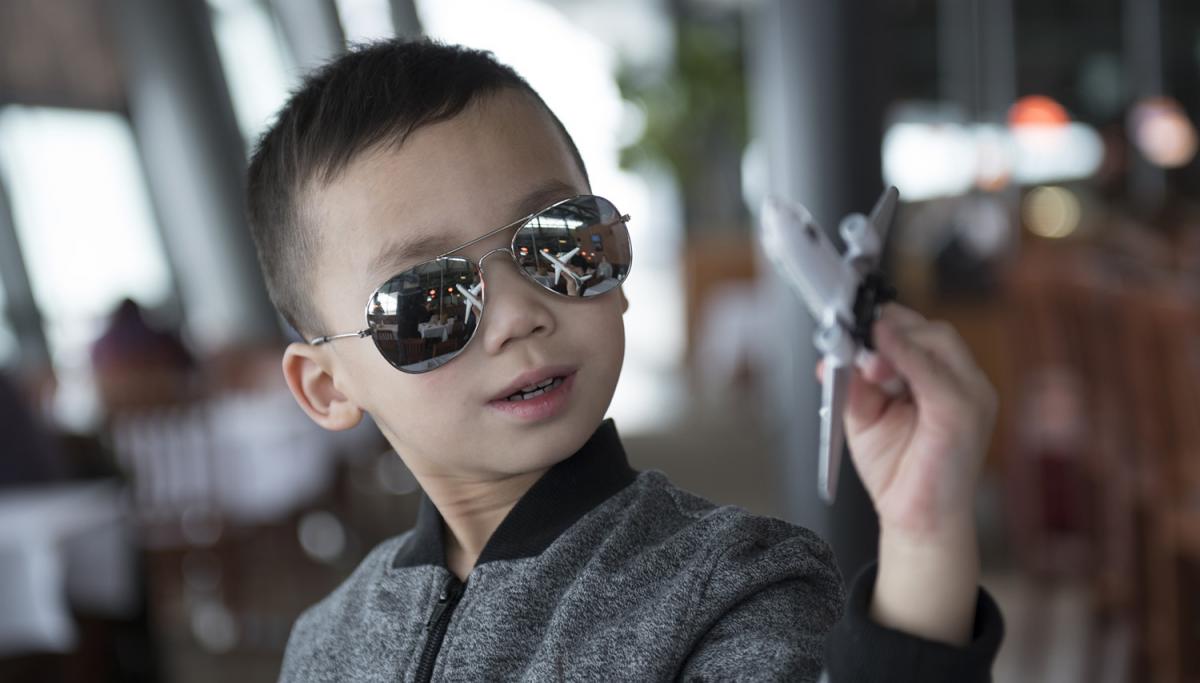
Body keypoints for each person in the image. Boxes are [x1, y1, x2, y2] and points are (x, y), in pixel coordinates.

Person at [245, 39, 1003, 681]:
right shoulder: (324, 644)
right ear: (327, 386)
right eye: (427, 301)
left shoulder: (735, 583)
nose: (519, 314)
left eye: (560, 243)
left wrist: (924, 539)